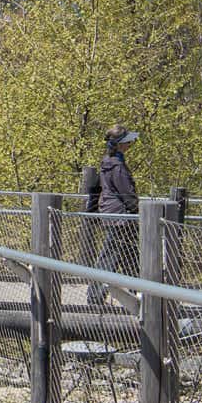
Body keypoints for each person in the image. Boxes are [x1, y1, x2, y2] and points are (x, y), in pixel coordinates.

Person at [87, 125, 140, 309]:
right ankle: (94, 297)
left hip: (115, 215)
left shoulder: (109, 162)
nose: (129, 144)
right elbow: (127, 193)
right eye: (126, 142)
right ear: (119, 145)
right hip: (121, 218)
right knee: (110, 258)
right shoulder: (116, 166)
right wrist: (138, 212)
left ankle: (139, 294)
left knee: (131, 259)